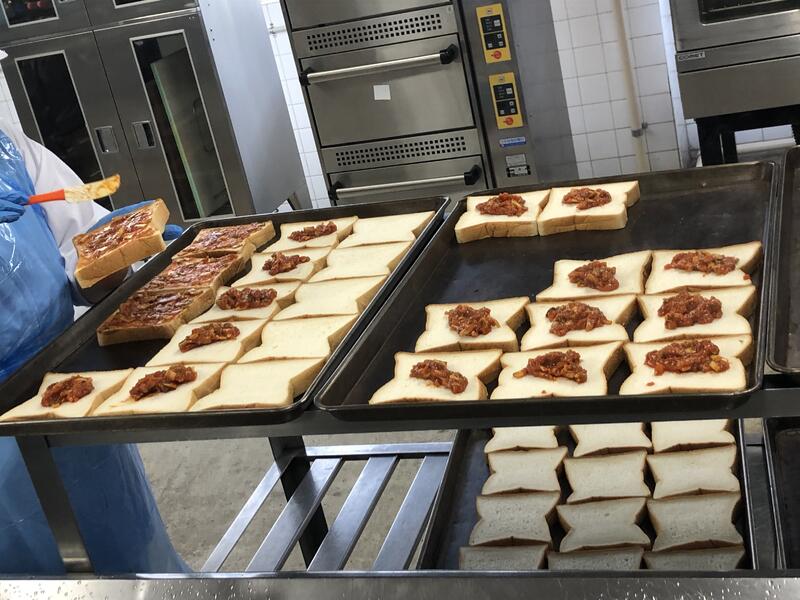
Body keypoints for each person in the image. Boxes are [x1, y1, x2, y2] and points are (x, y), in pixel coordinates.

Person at [0, 119, 187, 574]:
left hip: (68, 387)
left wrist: (119, 250)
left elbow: (76, 252)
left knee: (127, 557)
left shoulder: (10, 148)